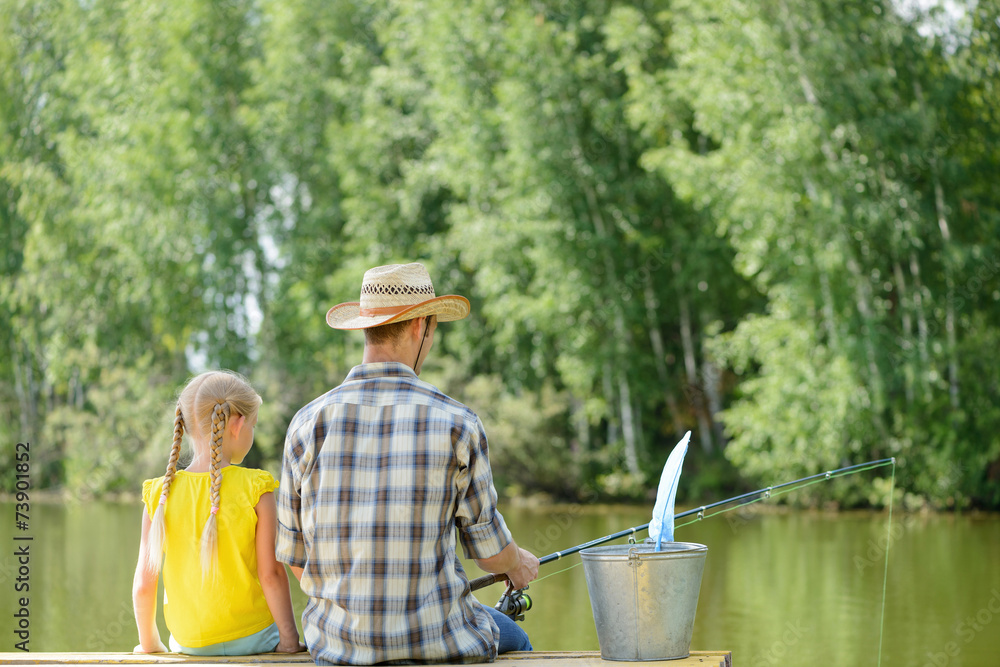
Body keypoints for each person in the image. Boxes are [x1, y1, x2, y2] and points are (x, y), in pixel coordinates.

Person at [276, 262, 540, 665]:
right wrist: (517, 563)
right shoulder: (458, 423)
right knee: (517, 641)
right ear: (421, 327)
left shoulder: (306, 424)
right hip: (438, 647)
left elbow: (295, 556)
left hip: (338, 651)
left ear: (366, 328)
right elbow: (489, 555)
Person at [132, 370, 303, 656]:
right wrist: (288, 641)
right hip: (254, 638)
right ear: (237, 425)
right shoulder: (256, 487)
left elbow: (144, 583)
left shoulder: (160, 494)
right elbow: (271, 573)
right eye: (254, 425)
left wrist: (150, 644)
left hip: (188, 643)